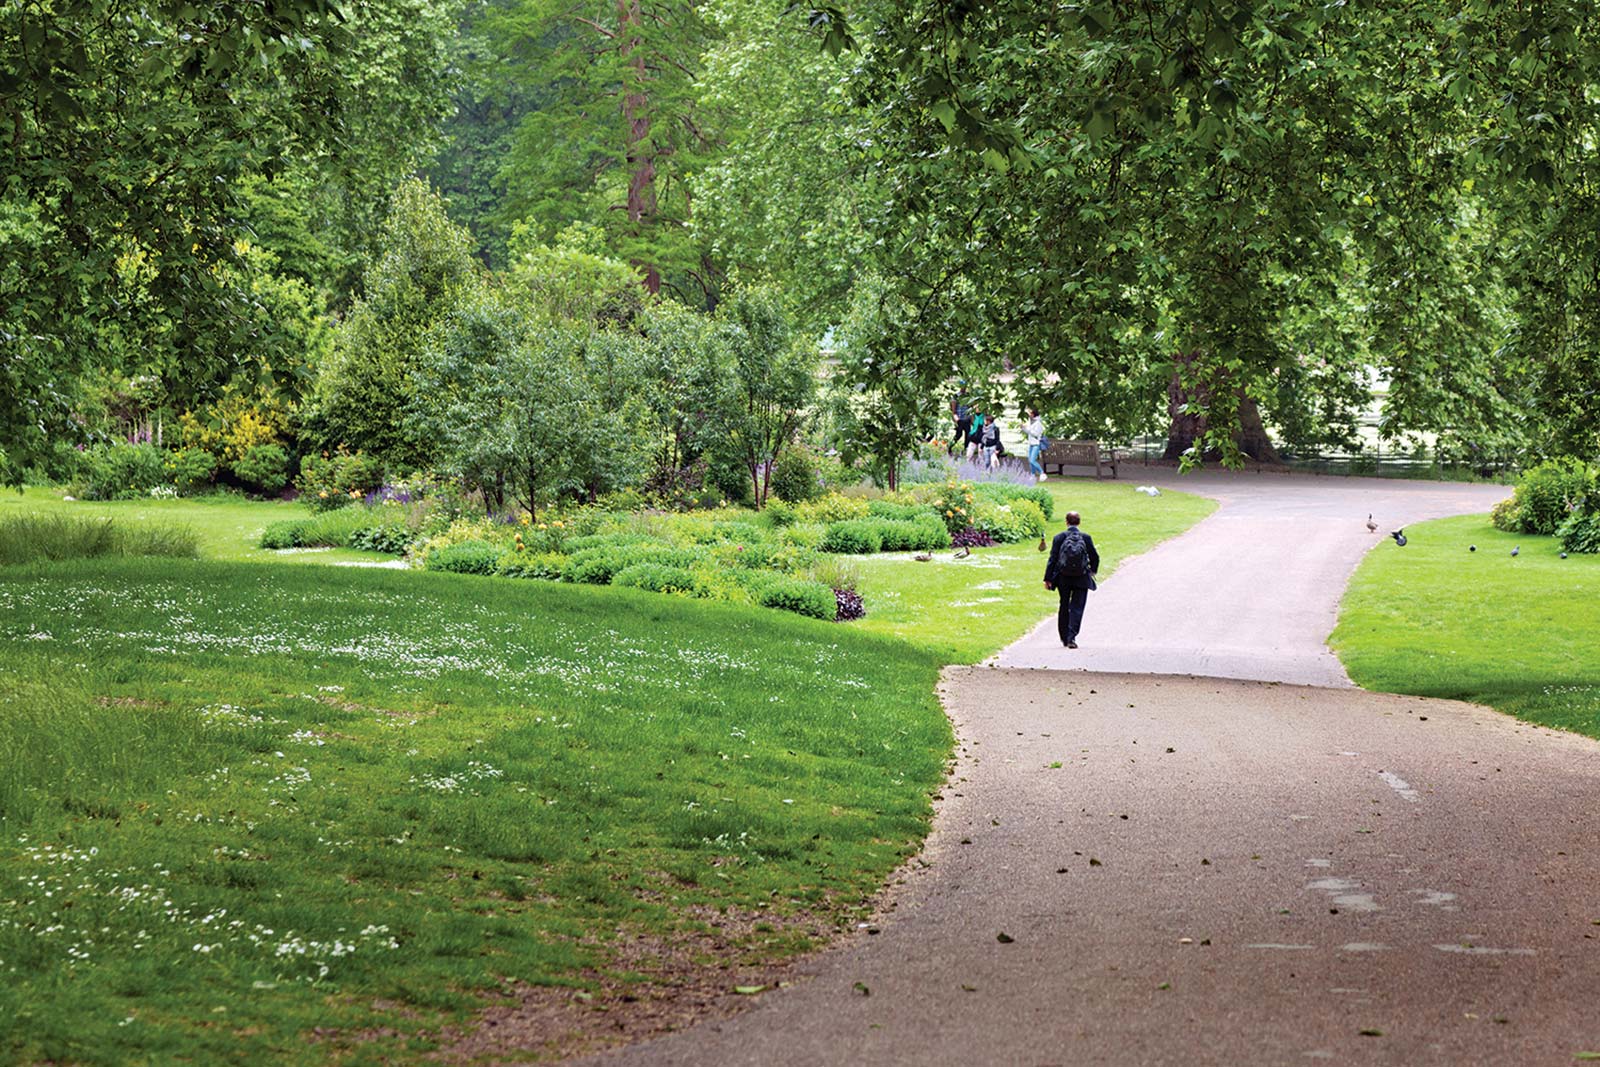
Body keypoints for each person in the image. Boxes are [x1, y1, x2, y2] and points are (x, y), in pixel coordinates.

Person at [1043, 510, 1099, 649]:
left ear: (1066, 522)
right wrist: (1092, 571)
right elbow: (1095, 557)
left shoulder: (1059, 538)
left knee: (1064, 605)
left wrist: (1048, 578)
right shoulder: (1086, 538)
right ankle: (1071, 637)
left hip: (1063, 578)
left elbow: (1053, 559)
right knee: (1077, 607)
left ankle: (1063, 636)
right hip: (1081, 577)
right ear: (1079, 522)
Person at [1024, 409, 1045, 481]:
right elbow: (1028, 431)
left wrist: (1027, 429)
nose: (1029, 415)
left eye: (1030, 413)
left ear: (1033, 414)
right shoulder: (1030, 421)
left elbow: (1036, 434)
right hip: (1031, 443)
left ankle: (1042, 473)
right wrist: (1023, 428)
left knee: (1032, 460)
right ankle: (1032, 474)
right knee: (1030, 460)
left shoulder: (1038, 423)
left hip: (1036, 443)